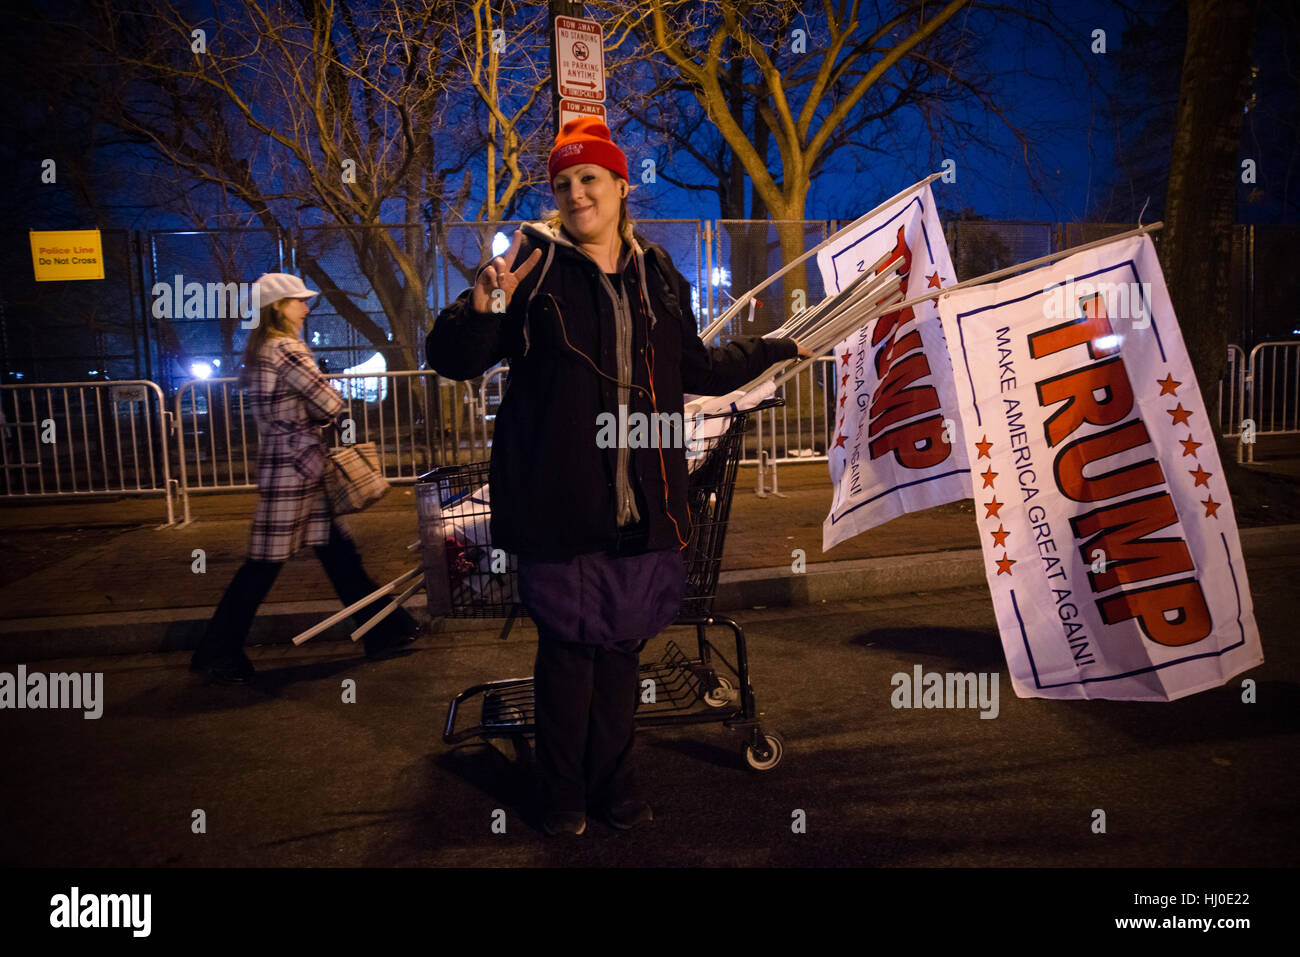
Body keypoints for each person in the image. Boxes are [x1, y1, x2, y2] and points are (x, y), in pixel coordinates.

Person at [426, 117, 810, 836]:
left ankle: (616, 781)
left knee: (620, 651)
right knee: (570, 655)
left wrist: (777, 348)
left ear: (620, 186)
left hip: (649, 505)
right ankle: (562, 791)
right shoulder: (532, 267)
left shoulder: (657, 272)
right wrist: (481, 302)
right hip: (562, 503)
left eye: (590, 179)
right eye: (564, 183)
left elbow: (693, 367)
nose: (577, 193)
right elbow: (455, 355)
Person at [190, 273, 419, 684]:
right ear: (279, 307)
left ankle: (385, 628)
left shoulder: (261, 349)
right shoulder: (288, 349)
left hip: (283, 464)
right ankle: (217, 649)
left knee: (335, 554)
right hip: (299, 466)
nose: (306, 308)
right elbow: (329, 402)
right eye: (299, 301)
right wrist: (322, 406)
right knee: (266, 564)